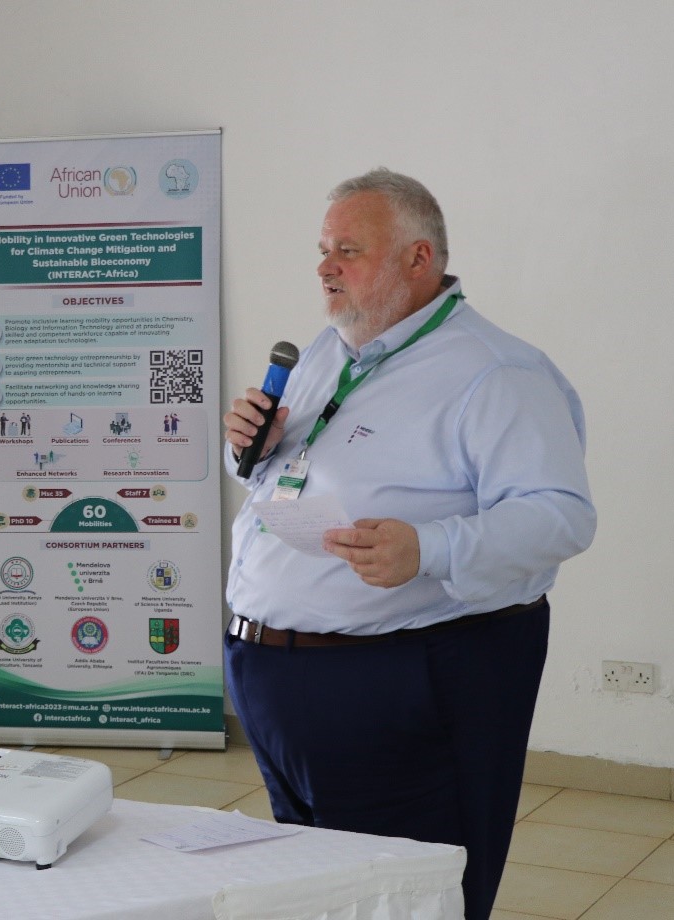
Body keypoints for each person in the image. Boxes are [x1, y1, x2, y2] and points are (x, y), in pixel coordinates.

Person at [221, 168, 595, 919]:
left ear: (418, 260)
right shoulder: (332, 350)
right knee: (320, 890)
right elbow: (295, 486)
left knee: (406, 890)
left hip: (397, 682)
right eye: (323, 249)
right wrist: (247, 454)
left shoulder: (494, 372)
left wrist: (429, 548)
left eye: (349, 250)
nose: (326, 266)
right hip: (278, 681)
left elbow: (561, 515)